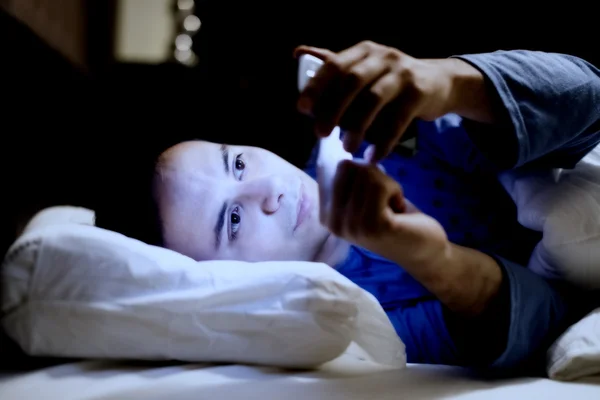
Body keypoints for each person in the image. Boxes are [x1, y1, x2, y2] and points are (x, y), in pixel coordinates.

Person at [96, 42, 600, 375]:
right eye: (232, 220)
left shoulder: (375, 142)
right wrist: (434, 262)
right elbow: (544, 321)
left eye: (240, 165)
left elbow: (589, 100)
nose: (267, 193)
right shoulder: (350, 315)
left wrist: (447, 83)